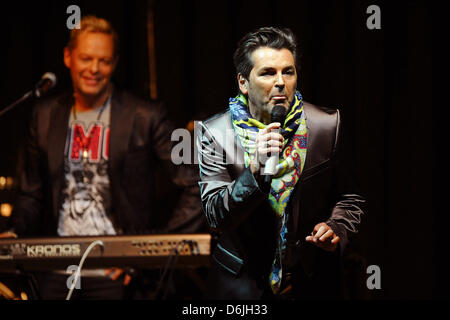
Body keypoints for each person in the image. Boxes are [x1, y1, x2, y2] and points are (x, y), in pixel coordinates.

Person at [2, 15, 203, 299]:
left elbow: (197, 183)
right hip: (57, 270)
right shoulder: (45, 115)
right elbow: (31, 194)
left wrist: (151, 254)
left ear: (115, 62)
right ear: (68, 57)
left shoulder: (145, 115)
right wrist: (15, 234)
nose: (94, 69)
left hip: (118, 273)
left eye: (104, 61)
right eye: (86, 58)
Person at [196, 27, 366, 299]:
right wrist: (254, 171)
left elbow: (350, 198)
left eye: (288, 71)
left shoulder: (326, 125)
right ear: (243, 82)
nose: (280, 82)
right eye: (267, 72)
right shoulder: (215, 132)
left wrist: (336, 227)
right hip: (241, 286)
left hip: (311, 281)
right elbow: (216, 215)